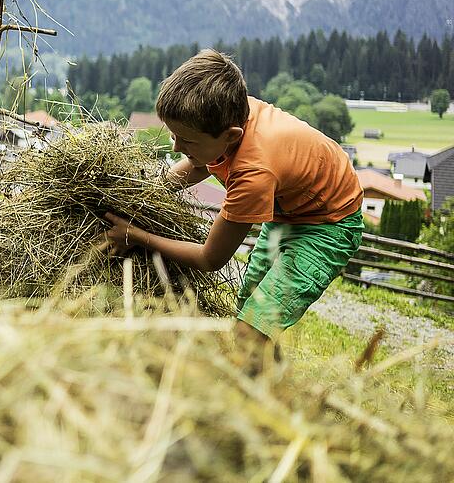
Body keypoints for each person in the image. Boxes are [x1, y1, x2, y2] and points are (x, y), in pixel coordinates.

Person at [103, 50, 364, 364]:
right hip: (289, 211)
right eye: (174, 135)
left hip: (329, 224)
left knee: (249, 331)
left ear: (231, 135)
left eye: (186, 140)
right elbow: (203, 162)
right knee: (250, 310)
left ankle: (257, 397)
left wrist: (135, 235)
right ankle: (270, 380)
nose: (176, 148)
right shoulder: (230, 111)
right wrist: (149, 191)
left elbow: (209, 257)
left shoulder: (254, 173)